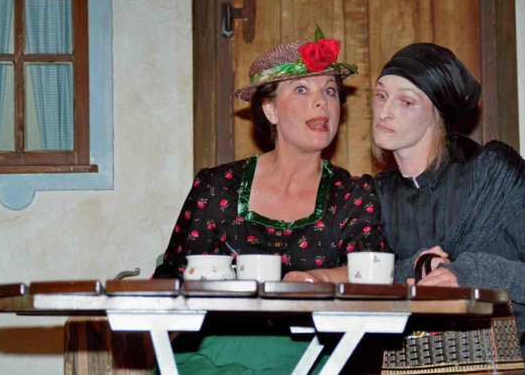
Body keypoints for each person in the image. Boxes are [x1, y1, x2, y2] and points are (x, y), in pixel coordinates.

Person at [153, 31, 385, 374]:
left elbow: (372, 270)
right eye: (302, 90)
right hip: (208, 354)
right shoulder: (217, 187)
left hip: (313, 357)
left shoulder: (351, 193)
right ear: (270, 110)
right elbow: (171, 276)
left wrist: (315, 277)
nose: (321, 102)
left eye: (330, 91)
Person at [371, 42, 525, 374]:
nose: (384, 112)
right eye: (381, 95)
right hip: (427, 358)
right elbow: (369, 281)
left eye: (406, 101)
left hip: (521, 355)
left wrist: (470, 274)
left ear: (436, 114)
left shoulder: (494, 173)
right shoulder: (380, 192)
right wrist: (413, 269)